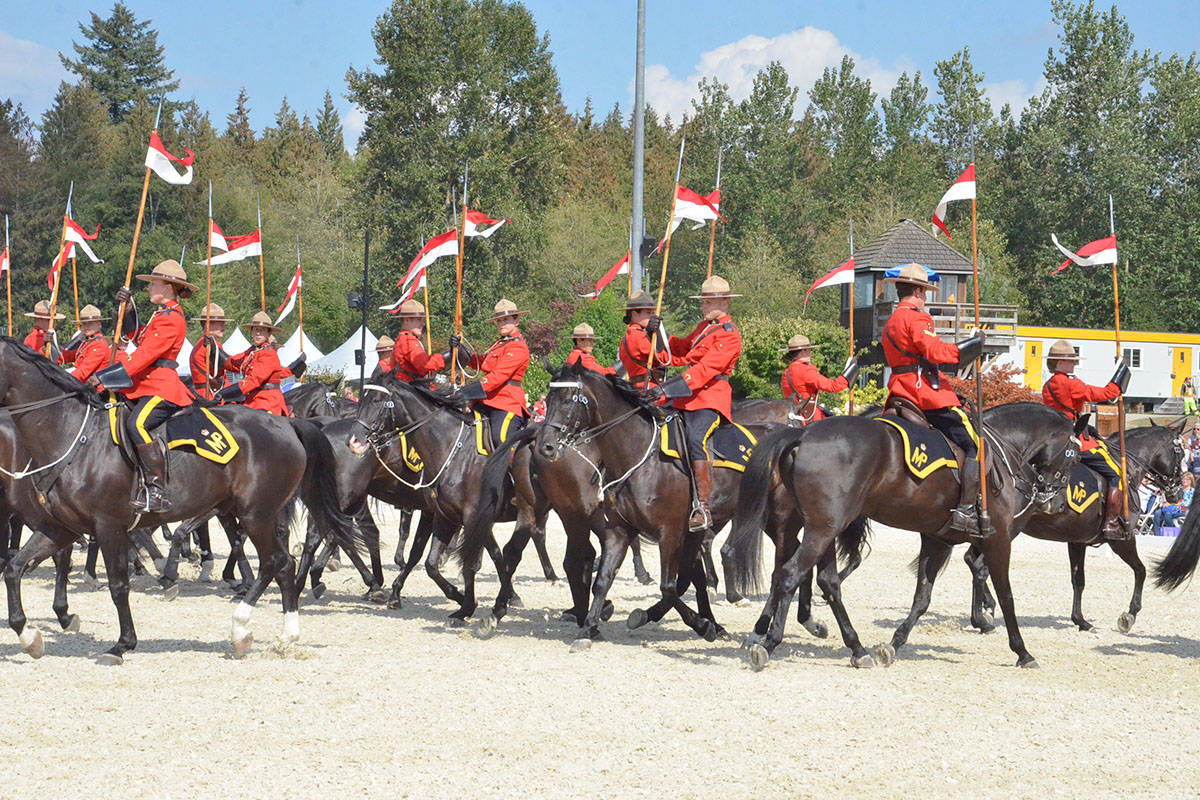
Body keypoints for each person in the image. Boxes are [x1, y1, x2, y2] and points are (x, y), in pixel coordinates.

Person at [880, 263, 990, 538]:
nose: (926, 297)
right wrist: (972, 345)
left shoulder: (892, 319)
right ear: (918, 291)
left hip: (898, 390)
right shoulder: (918, 318)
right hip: (923, 392)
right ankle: (965, 509)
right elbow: (935, 350)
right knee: (977, 444)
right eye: (925, 292)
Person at [98, 259, 197, 513]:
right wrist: (127, 309)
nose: (149, 288)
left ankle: (157, 490)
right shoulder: (160, 315)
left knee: (136, 424)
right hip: (144, 384)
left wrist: (111, 375)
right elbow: (135, 336)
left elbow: (144, 355)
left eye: (153, 283)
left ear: (168, 286)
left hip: (161, 387)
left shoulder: (172, 318)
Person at [645, 275, 742, 532]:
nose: (703, 307)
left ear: (723, 302)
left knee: (695, 438)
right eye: (703, 302)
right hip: (687, 396)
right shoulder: (704, 327)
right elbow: (681, 349)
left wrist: (666, 388)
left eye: (706, 302)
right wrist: (658, 331)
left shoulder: (730, 335)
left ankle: (703, 506)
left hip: (711, 397)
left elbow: (705, 371)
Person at [1041, 338, 1131, 540]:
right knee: (1117, 474)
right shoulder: (1071, 383)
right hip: (1074, 439)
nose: (1075, 364)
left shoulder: (1048, 385)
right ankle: (1110, 523)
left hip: (1052, 438)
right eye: (1072, 361)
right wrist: (1120, 374)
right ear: (1060, 363)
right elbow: (1106, 394)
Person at [454, 298, 530, 450]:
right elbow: (483, 363)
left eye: (506, 319)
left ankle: (512, 473)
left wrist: (467, 392)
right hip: (486, 401)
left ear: (516, 320)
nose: (501, 323)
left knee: (500, 440)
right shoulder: (499, 344)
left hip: (506, 403)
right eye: (499, 320)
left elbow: (497, 377)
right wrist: (459, 350)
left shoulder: (518, 347)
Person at [218, 311, 291, 416]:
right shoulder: (253, 351)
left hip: (267, 401)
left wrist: (226, 393)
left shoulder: (268, 354)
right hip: (252, 398)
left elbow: (254, 380)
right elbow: (234, 363)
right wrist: (215, 350)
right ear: (252, 332)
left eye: (262, 330)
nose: (258, 333)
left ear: (268, 334)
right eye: (256, 330)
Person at [779, 333, 857, 423]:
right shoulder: (806, 370)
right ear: (802, 351)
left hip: (791, 417)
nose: (810, 353)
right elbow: (833, 386)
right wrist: (849, 373)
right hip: (809, 418)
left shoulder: (786, 372)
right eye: (808, 350)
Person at [390, 299, 455, 385]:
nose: (423, 324)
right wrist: (448, 356)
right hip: (409, 388)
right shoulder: (409, 340)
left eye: (422, 320)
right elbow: (425, 365)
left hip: (404, 386)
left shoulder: (403, 338)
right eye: (419, 319)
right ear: (406, 320)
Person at [618, 291, 670, 389]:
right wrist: (653, 334)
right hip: (648, 388)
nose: (651, 316)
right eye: (648, 313)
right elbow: (663, 357)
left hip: (640, 387)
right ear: (634, 314)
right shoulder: (636, 335)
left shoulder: (631, 334)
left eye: (652, 313)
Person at [190, 304, 234, 400]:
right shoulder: (210, 345)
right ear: (209, 325)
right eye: (221, 323)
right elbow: (231, 364)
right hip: (211, 395)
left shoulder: (201, 343)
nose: (224, 328)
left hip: (203, 393)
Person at [66, 305, 112, 384]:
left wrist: (64, 380)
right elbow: (71, 355)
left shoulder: (99, 344)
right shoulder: (88, 341)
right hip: (80, 382)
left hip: (92, 388)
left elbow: (83, 372)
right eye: (84, 324)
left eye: (90, 323)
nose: (86, 327)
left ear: (98, 324)